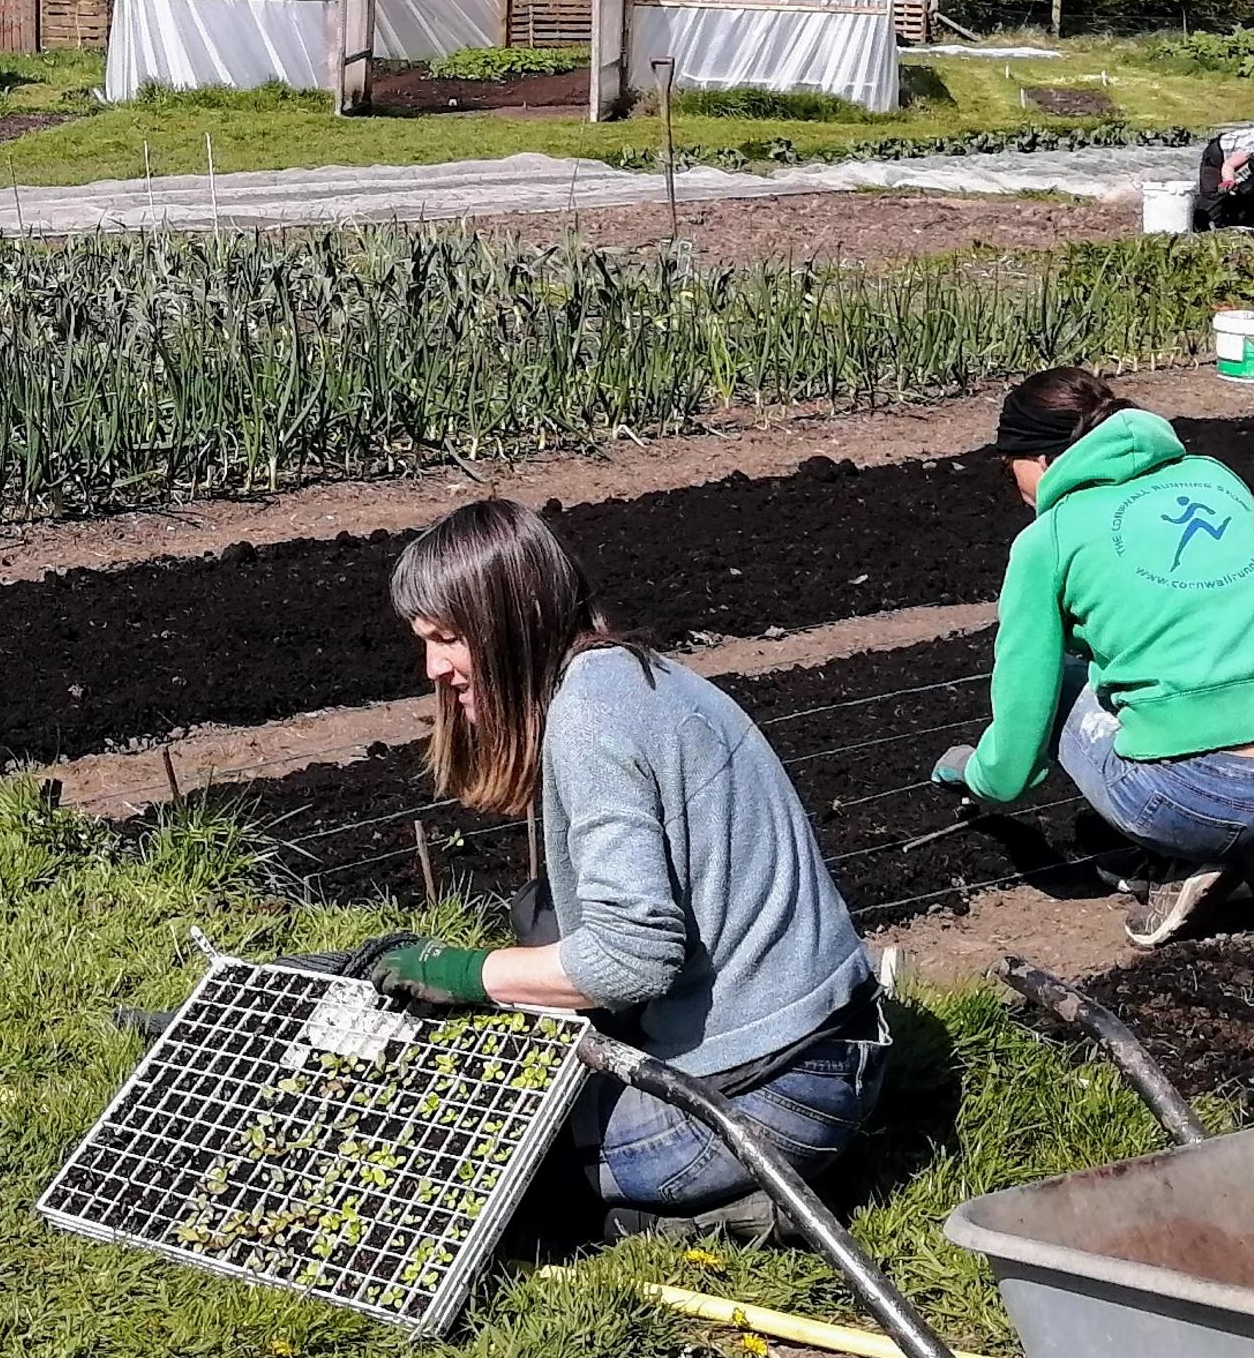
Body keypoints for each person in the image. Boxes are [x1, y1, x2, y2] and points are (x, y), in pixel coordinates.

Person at [341, 497, 884, 1244]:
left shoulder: (591, 715)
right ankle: (747, 1183)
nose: (432, 665)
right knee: (543, 915)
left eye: (447, 639)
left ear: (507, 625)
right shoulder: (635, 672)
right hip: (840, 1048)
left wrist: (459, 973)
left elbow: (632, 960)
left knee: (478, 1153)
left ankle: (711, 1213)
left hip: (766, 1099)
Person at [930, 369, 1254, 950]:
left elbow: (1015, 758)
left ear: (1037, 458)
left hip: (1200, 802)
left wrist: (968, 773)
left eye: (1008, 461)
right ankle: (1242, 842)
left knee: (1063, 683)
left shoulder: (1049, 537)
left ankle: (1188, 854)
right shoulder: (1215, 478)